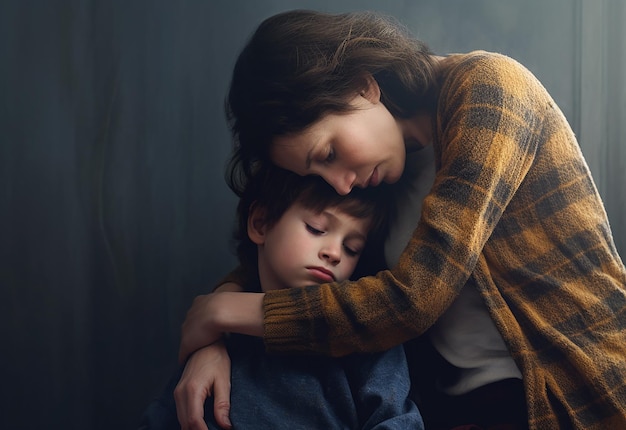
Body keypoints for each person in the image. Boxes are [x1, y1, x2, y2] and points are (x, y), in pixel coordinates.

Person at [176, 9, 626, 430]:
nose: (340, 185)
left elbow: (415, 299)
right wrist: (214, 342)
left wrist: (225, 313)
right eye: (316, 173)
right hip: (453, 407)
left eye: (329, 154)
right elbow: (276, 250)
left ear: (362, 86)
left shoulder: (489, 88)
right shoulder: (382, 167)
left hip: (572, 395)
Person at [139, 164, 423, 429]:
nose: (334, 253)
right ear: (261, 223)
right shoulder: (219, 345)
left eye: (351, 248)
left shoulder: (367, 336)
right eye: (316, 229)